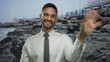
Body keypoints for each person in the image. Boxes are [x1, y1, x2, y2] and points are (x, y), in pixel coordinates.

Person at [20, 3, 102, 62]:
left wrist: (82, 36)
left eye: (53, 16)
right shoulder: (29, 42)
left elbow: (73, 58)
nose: (49, 18)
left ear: (56, 19)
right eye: (46, 15)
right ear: (41, 16)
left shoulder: (64, 39)